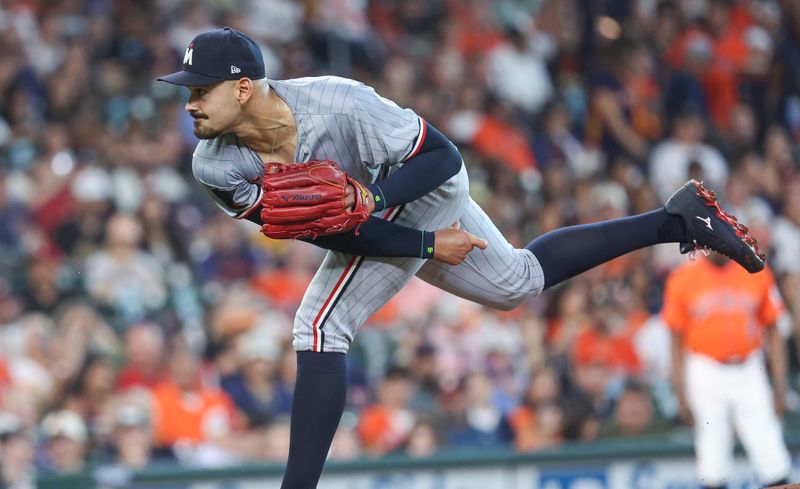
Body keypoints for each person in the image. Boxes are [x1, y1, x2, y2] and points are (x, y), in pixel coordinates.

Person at [157, 27, 766, 489]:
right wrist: (423, 245)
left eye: (200, 91)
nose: (189, 104)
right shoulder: (215, 163)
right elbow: (325, 231)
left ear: (243, 87)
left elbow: (444, 159)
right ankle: (676, 218)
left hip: (421, 185)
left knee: (319, 326)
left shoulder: (337, 102)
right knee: (516, 282)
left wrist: (380, 202)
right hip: (374, 222)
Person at [663, 252, 792, 488]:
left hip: (749, 366)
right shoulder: (683, 276)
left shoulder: (755, 269)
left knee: (771, 452)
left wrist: (780, 386)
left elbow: (773, 329)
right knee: (712, 458)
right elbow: (675, 341)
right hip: (705, 367)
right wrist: (680, 395)